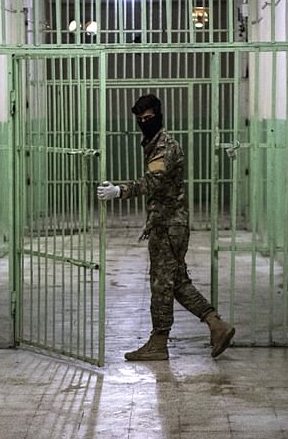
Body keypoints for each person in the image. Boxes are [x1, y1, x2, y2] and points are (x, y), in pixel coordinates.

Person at [97, 94, 235, 361]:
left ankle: (159, 342)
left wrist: (119, 191)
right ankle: (217, 325)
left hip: (170, 226)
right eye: (139, 119)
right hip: (167, 224)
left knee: (162, 284)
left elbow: (153, 182)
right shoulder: (153, 142)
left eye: (148, 118)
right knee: (177, 282)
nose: (143, 122)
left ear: (158, 115)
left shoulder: (165, 146)